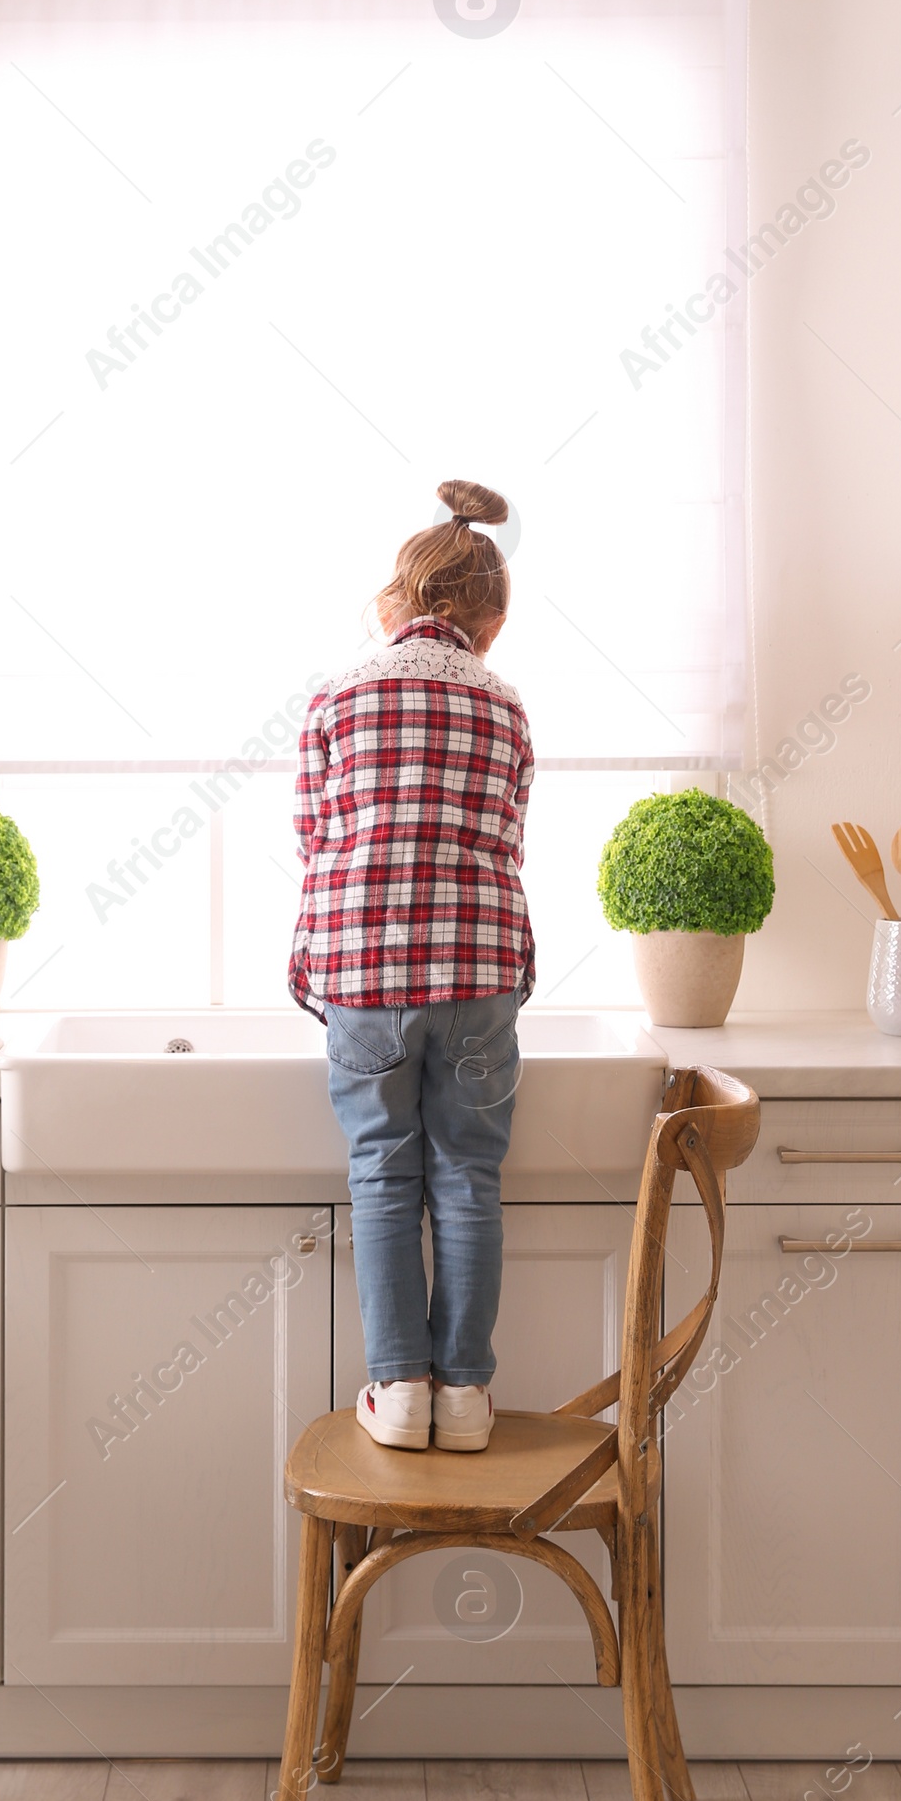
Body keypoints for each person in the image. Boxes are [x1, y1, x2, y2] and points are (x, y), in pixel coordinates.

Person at [289, 479, 534, 1452]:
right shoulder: (505, 707)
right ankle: (466, 1397)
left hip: (364, 969)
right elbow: (505, 841)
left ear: (393, 604)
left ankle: (397, 1391)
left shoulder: (337, 696)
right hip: (476, 963)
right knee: (469, 1174)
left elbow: (315, 837)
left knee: (381, 1175)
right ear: (491, 619)